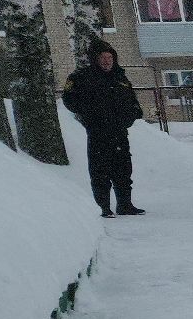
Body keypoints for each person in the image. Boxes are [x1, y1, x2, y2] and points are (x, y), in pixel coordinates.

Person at [61, 40, 146, 217]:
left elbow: (131, 100)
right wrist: (89, 113)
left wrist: (134, 113)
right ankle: (103, 207)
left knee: (123, 169)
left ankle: (125, 204)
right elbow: (69, 99)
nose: (107, 61)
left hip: (119, 132)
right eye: (103, 58)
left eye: (110, 57)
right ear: (96, 59)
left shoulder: (120, 77)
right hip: (98, 132)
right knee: (100, 171)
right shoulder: (82, 77)